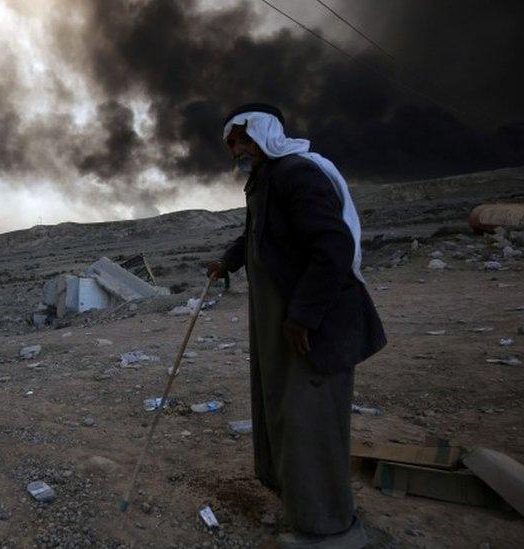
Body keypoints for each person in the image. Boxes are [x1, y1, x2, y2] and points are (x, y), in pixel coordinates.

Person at [206, 103, 386, 549]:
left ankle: (331, 530)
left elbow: (332, 246)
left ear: (264, 132)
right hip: (284, 324)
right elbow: (260, 235)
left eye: (242, 137)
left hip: (314, 326)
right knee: (286, 414)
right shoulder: (267, 179)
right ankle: (302, 507)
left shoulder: (297, 174)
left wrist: (304, 314)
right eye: (231, 141)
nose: (236, 148)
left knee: (312, 420)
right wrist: (229, 261)